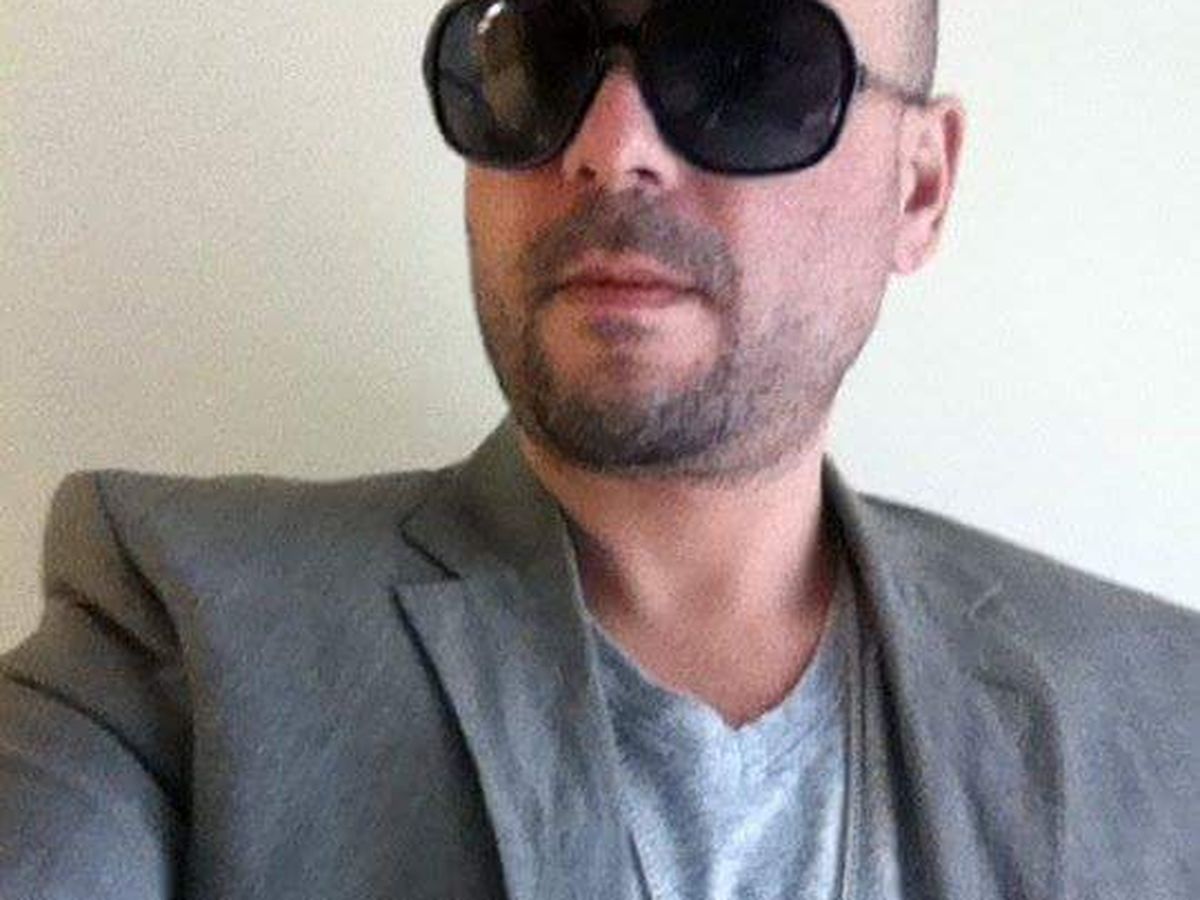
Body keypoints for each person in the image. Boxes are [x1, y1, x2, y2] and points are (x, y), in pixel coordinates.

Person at [1, 0, 1196, 897]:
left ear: (919, 188)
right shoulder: (172, 636)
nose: (610, 144)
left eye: (743, 63)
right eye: (538, 56)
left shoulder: (1166, 718)